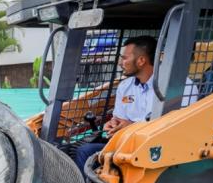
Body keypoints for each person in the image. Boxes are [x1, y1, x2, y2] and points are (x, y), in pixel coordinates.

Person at [74, 35, 199, 170]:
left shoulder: (182, 86)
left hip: (161, 149)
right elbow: (119, 119)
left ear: (141, 61)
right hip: (127, 145)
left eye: (124, 58)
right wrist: (113, 125)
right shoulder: (125, 86)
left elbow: (178, 127)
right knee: (84, 151)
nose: (121, 63)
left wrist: (132, 127)